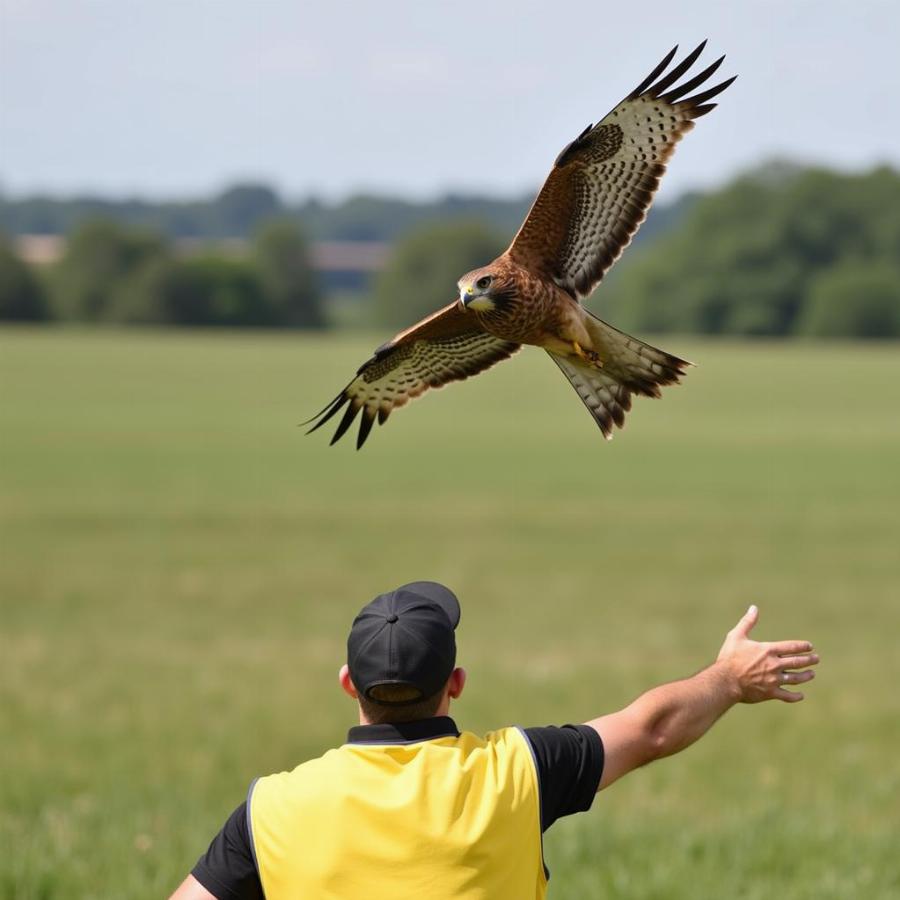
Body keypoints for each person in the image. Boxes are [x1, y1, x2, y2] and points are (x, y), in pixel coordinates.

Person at [169, 580, 819, 900]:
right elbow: (650, 729)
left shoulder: (271, 810)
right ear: (456, 682)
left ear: (348, 684)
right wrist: (729, 678)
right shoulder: (517, 771)